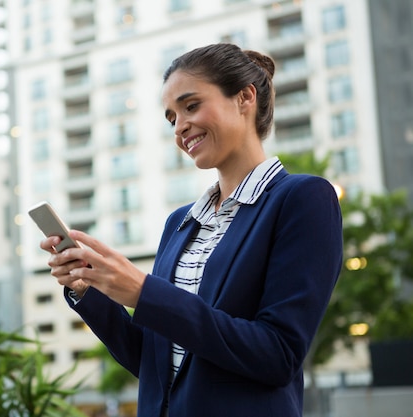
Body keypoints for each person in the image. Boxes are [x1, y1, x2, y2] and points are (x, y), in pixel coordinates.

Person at [39, 43, 343, 417]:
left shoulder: (302, 199)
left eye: (191, 106)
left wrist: (142, 292)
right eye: (171, 118)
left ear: (244, 98)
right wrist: (88, 290)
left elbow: (277, 354)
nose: (180, 126)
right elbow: (153, 363)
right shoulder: (182, 222)